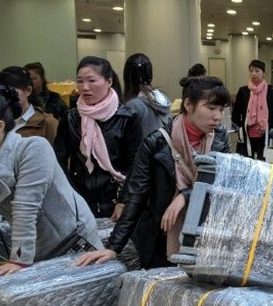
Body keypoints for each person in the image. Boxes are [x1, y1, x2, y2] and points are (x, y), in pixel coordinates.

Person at [76, 76, 231, 270]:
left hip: (206, 236)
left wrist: (186, 196)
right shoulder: (156, 143)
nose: (217, 116)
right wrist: (114, 247)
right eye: (211, 108)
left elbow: (223, 184)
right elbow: (136, 195)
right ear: (188, 105)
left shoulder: (219, 139)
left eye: (221, 109)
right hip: (161, 238)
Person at [0, 89, 102, 277]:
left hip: (73, 239)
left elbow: (25, 207)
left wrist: (18, 259)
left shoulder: (33, 148)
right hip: (37, 246)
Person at [54, 56, 142, 219]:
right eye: (80, 81)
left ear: (109, 82)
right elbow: (58, 161)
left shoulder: (127, 118)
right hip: (79, 198)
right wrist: (71, 196)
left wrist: (123, 201)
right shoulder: (70, 118)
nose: (85, 87)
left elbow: (135, 165)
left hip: (116, 198)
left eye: (92, 81)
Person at [0, 66, 58, 144]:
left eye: (11, 89)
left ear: (28, 91)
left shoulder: (48, 123)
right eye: (2, 90)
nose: (5, 95)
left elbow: (58, 154)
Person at [232, 60, 273, 160]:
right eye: (251, 71)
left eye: (257, 71)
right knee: (245, 162)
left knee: (263, 162)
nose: (254, 73)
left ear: (263, 73)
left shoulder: (271, 92)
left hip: (264, 133)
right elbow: (236, 112)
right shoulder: (243, 91)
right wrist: (239, 127)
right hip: (247, 133)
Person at [122, 53, 171, 137]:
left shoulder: (132, 106)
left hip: (143, 149)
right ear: (150, 74)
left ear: (127, 76)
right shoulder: (162, 98)